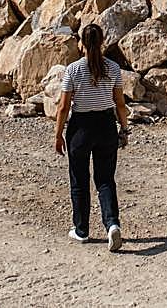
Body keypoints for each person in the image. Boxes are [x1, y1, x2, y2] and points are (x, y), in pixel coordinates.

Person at [54, 23, 129, 252]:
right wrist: (124, 129)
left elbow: (63, 107)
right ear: (102, 41)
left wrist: (58, 135)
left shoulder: (73, 70)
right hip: (106, 125)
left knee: (79, 179)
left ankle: (82, 230)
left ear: (82, 43)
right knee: (105, 179)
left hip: (81, 128)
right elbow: (120, 103)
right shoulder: (113, 68)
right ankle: (112, 224)